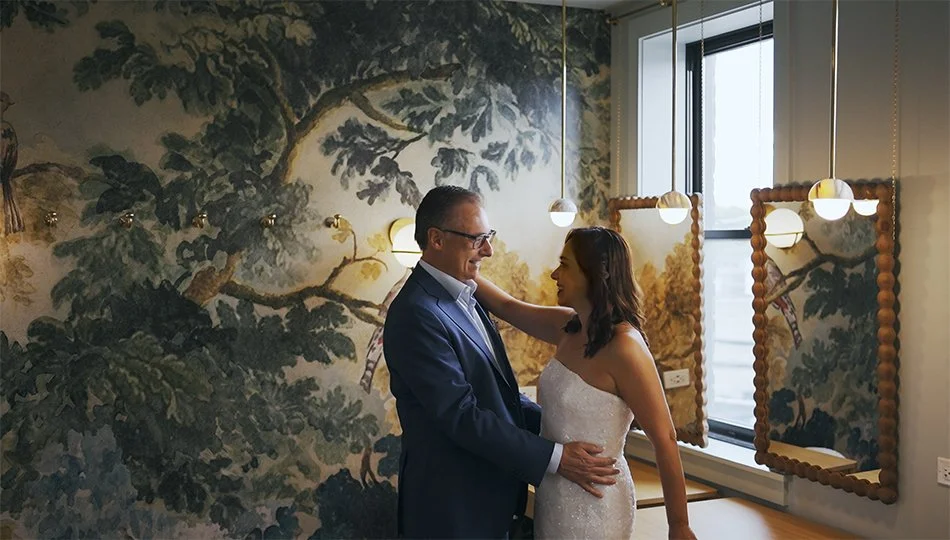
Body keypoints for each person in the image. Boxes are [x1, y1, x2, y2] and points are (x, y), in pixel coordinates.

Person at [383, 186, 619, 539]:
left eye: (488, 236)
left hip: (492, 501)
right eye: (477, 239)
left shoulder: (465, 293)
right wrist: (556, 456)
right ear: (437, 239)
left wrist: (571, 431)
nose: (489, 250)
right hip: (451, 510)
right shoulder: (417, 312)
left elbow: (501, 397)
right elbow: (462, 416)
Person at [474, 226, 697, 540]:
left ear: (598, 273)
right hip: (552, 495)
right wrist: (460, 268)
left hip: (598, 504)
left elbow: (666, 439)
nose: (554, 274)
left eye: (565, 265)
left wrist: (679, 526)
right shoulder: (568, 326)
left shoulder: (626, 348)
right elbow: (508, 307)